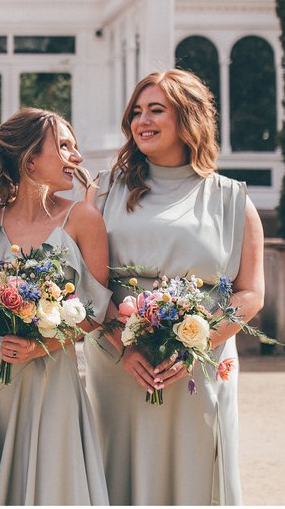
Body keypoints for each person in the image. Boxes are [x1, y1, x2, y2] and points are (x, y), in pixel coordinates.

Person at [83, 69, 266, 505]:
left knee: (196, 469)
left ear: (188, 118)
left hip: (198, 366)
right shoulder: (104, 191)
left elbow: (250, 294)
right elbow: (87, 281)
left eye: (156, 110)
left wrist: (194, 346)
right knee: (119, 467)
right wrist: (122, 347)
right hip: (119, 362)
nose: (142, 120)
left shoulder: (232, 199)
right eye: (136, 112)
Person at [0, 108, 113, 505]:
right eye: (64, 146)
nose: (75, 157)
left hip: (50, 374)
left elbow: (97, 311)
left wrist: (44, 345)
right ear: (30, 159)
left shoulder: (83, 218)